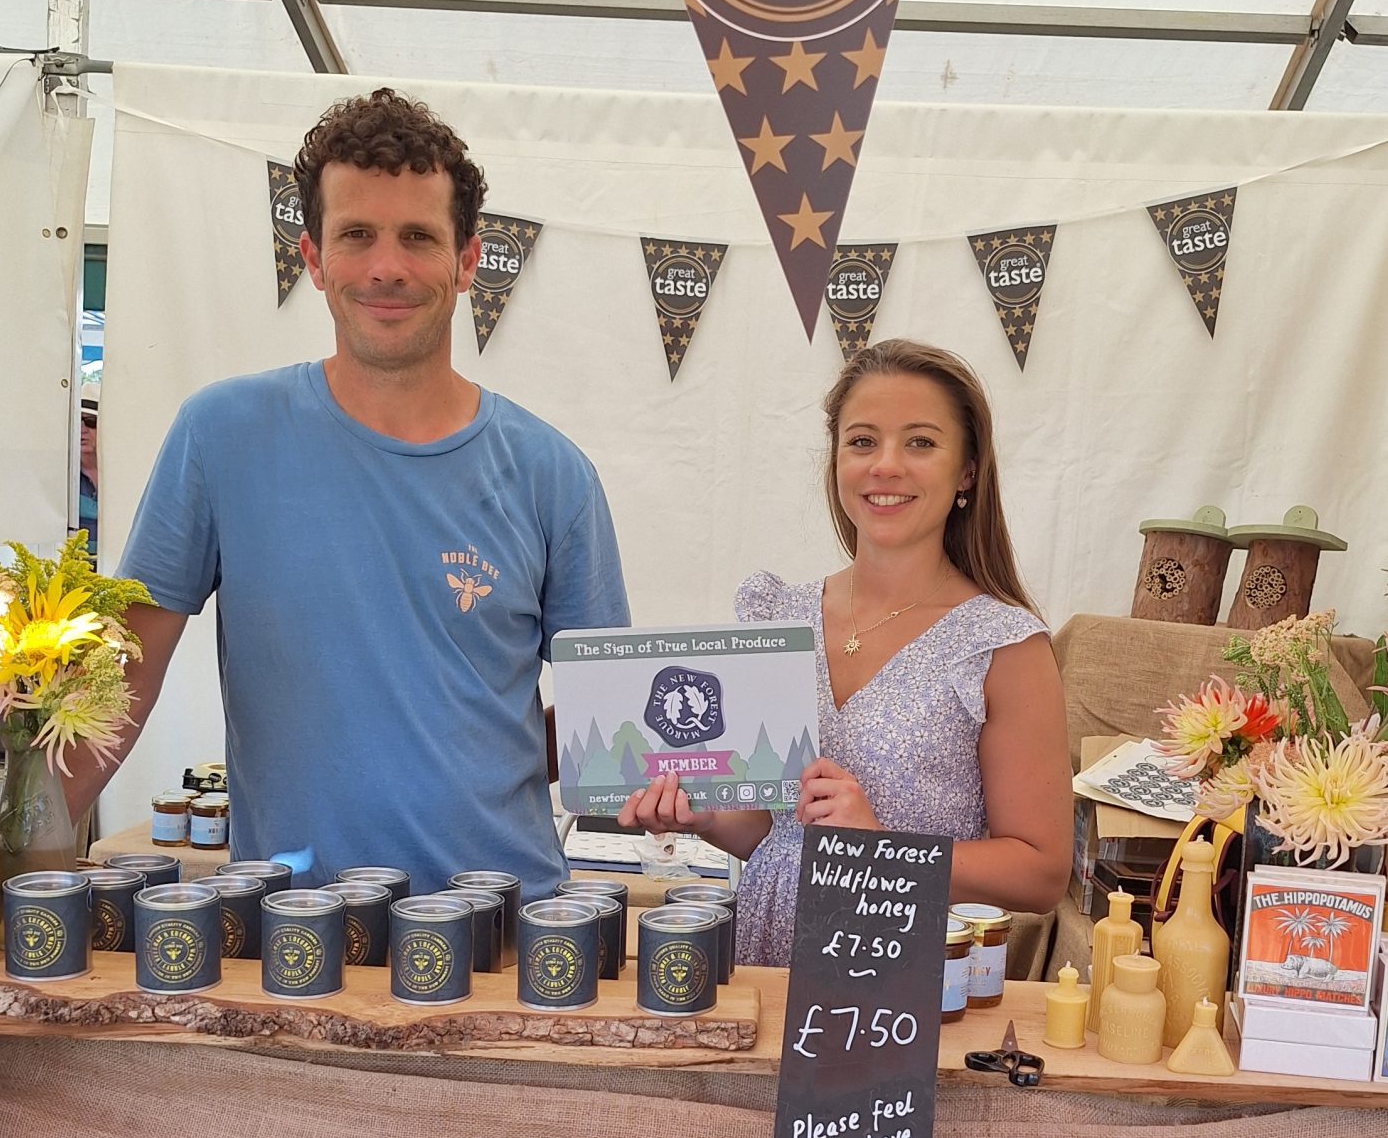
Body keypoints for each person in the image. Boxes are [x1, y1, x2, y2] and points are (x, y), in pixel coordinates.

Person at [61, 88, 628, 901]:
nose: (386, 266)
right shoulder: (221, 436)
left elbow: (603, 730)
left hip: (508, 935)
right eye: (356, 234)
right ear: (314, 258)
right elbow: (118, 684)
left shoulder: (552, 474)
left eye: (418, 238)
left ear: (468, 262)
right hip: (302, 936)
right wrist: (16, 851)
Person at [621, 339, 1072, 964]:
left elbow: (1042, 873)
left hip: (899, 985)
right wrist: (702, 814)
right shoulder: (777, 617)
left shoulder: (1001, 647)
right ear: (835, 459)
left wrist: (882, 846)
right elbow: (771, 833)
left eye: (920, 442)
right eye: (863, 441)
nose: (885, 465)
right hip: (765, 960)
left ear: (968, 469)